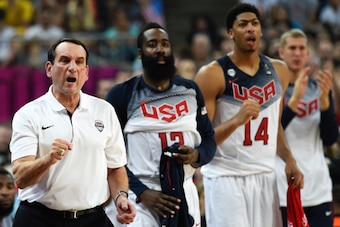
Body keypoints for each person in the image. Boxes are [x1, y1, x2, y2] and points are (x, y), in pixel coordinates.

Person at [194, 3, 304, 227]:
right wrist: (236, 120)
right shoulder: (211, 74)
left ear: (261, 31)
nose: (250, 29)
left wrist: (289, 159)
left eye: (255, 24)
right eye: (242, 25)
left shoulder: (279, 71)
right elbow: (201, 141)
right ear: (231, 33)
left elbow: (276, 127)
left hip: (265, 175)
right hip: (225, 177)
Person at [9, 38, 136, 227]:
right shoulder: (28, 114)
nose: (72, 67)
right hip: (40, 218)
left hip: (93, 218)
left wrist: (120, 197)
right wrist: (49, 159)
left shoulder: (104, 110)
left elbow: (116, 167)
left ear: (86, 72)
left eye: (79, 62)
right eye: (64, 60)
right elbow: (20, 176)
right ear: (49, 69)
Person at [105, 22, 216, 227]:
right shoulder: (122, 94)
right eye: (152, 44)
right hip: (140, 195)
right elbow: (108, 155)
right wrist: (141, 192)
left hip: (184, 190)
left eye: (165, 44)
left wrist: (197, 155)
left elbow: (209, 139)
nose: (160, 49)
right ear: (140, 53)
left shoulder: (190, 90)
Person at [276, 28, 339, 227]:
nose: (297, 53)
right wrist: (293, 102)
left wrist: (325, 103)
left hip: (318, 186)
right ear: (281, 53)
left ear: (307, 54)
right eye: (292, 48)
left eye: (302, 48)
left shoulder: (319, 87)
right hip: (283, 186)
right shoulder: (273, 90)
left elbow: (329, 139)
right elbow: (272, 133)